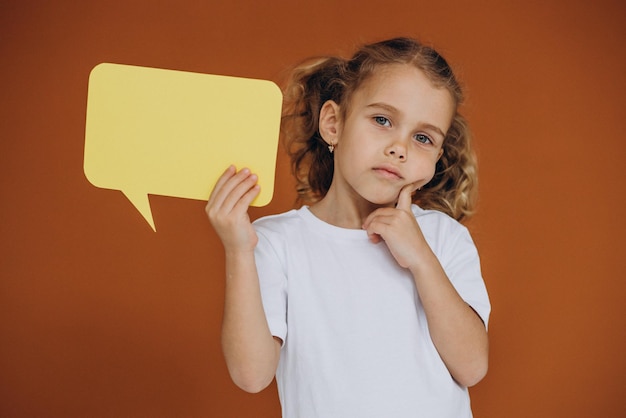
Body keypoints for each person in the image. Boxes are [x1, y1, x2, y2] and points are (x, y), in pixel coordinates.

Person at [206, 37, 491, 418]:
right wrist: (238, 250)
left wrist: (422, 260)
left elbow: (472, 367)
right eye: (382, 120)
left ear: (436, 159)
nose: (399, 147)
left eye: (422, 137)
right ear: (333, 124)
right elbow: (252, 375)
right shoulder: (275, 243)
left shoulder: (443, 239)